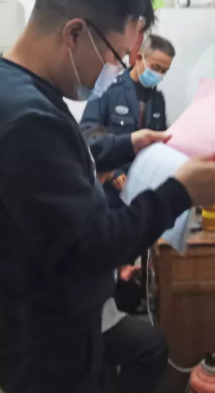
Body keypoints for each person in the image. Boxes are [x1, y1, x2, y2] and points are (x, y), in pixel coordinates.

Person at [0, 0, 215, 393]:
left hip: (44, 324)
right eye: (116, 56)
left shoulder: (5, 86)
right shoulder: (25, 120)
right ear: (75, 33)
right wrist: (180, 192)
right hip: (48, 350)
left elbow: (62, 161)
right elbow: (93, 245)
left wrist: (127, 143)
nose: (116, 71)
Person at [83, 126, 168, 393]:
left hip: (92, 295)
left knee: (130, 295)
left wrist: (118, 267)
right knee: (153, 345)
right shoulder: (87, 199)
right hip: (81, 315)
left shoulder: (86, 188)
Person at [81, 35, 175, 208]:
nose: (159, 75)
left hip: (143, 189)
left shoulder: (157, 100)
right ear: (139, 58)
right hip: (109, 190)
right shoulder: (108, 89)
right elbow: (87, 135)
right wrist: (113, 171)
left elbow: (160, 144)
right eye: (155, 68)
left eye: (164, 71)